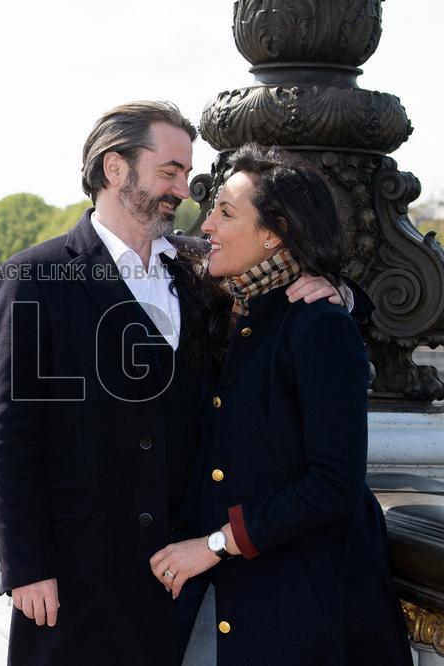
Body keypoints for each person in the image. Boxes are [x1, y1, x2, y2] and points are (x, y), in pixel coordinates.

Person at [0, 102, 350, 665]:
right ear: (115, 169)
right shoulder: (36, 277)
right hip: (79, 569)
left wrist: (341, 291)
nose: (184, 190)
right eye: (170, 171)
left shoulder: (203, 268)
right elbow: (12, 434)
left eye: (187, 173)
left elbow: (293, 282)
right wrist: (27, 566)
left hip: (182, 569)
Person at [149, 144, 411, 665]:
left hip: (296, 612)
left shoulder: (319, 324)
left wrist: (215, 544)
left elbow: (332, 484)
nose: (206, 225)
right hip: (218, 603)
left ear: (275, 233)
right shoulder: (222, 310)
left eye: (226, 212)